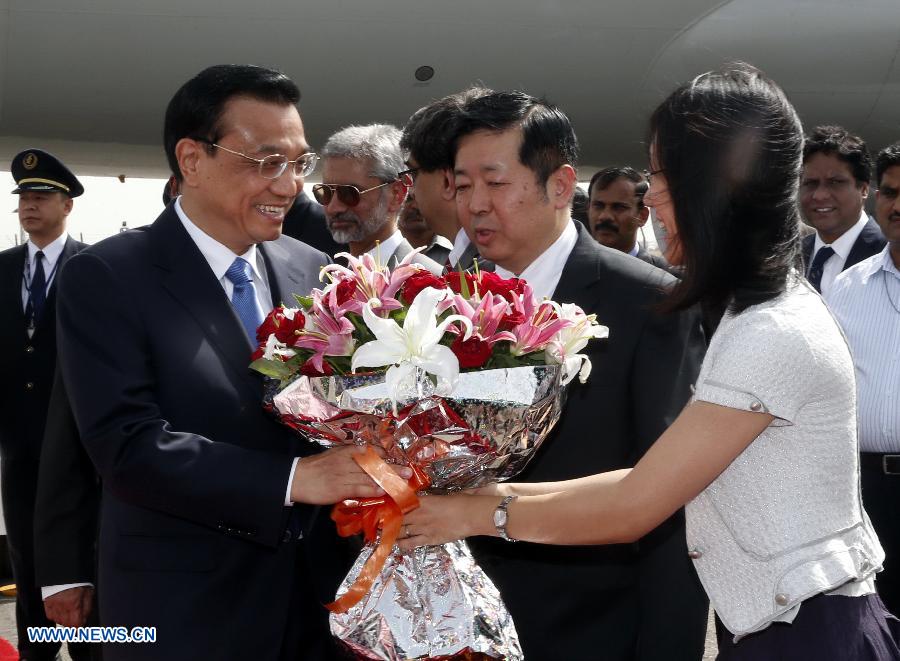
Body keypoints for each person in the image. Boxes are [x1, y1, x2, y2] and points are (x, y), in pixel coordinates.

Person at [400, 66, 898, 659]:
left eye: (664, 175)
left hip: (805, 636)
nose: (652, 195)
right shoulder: (758, 312)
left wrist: (475, 516)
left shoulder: (772, 330)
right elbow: (652, 478)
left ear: (717, 184)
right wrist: (473, 503)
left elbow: (637, 503)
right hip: (781, 625)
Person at [54, 64, 388, 661]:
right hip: (184, 612)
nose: (288, 186)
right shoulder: (108, 277)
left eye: (298, 163)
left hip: (317, 608)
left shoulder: (314, 271)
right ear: (191, 159)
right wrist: (295, 480)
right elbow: (125, 445)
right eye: (265, 162)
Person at [429, 89, 708, 660]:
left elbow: (671, 501)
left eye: (495, 182)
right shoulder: (436, 301)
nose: (475, 204)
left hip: (592, 628)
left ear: (559, 185)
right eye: (462, 185)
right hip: (455, 625)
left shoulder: (649, 304)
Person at [0, 148, 90, 661]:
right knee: (27, 557)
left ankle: (85, 647)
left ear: (67, 205)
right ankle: (37, 652)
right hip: (18, 443)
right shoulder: (3, 269)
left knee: (75, 553)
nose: (29, 207)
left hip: (75, 440)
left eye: (41, 197)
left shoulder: (93, 266)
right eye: (24, 200)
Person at [827, 141, 900, 617]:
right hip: (867, 492)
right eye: (891, 192)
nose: (899, 205)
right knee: (874, 626)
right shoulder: (846, 287)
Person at [315, 123, 441, 273]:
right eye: (326, 192)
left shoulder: (429, 282)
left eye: (349, 193)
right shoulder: (325, 276)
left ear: (397, 194)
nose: (333, 207)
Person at [400, 87, 494, 272]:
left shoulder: (491, 276)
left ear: (448, 182)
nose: (410, 191)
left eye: (413, 174)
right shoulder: (472, 263)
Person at [800, 125, 885, 294]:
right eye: (811, 183)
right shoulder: (792, 257)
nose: (819, 195)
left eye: (835, 182)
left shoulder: (889, 255)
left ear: (864, 189)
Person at [587, 166, 669, 269]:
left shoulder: (668, 279)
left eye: (618, 207)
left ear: (642, 216)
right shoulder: (568, 272)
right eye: (598, 206)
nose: (605, 216)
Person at [397, 192, 453, 263]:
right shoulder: (381, 250)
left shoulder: (455, 253)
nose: (415, 206)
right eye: (408, 199)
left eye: (422, 199)